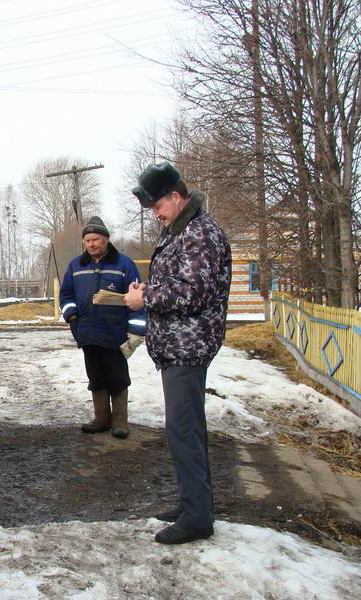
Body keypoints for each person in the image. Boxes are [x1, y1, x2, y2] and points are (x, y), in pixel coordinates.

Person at [124, 162, 232, 545]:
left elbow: (193, 292)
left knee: (183, 430)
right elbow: (179, 282)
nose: (155, 213)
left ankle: (198, 518)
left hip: (188, 344)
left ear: (176, 195)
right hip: (178, 343)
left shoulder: (199, 233)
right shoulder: (181, 231)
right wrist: (149, 288)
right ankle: (194, 505)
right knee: (189, 430)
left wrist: (144, 297)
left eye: (158, 205)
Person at [59, 216, 146, 439]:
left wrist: (136, 331)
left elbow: (137, 298)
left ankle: (120, 421)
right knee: (96, 377)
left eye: (95, 239)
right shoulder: (76, 266)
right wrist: (72, 317)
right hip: (86, 332)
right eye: (87, 241)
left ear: (106, 239)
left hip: (114, 333)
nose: (91, 244)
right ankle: (101, 419)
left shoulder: (124, 264)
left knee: (117, 377)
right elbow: (66, 295)